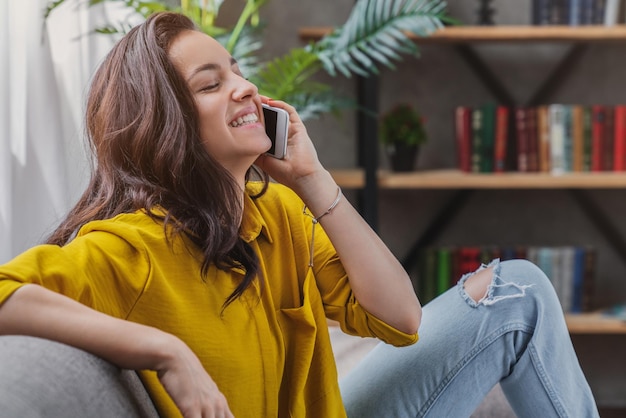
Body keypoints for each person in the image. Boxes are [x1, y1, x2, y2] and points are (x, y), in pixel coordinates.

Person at [0, 11, 599, 418]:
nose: (243, 87)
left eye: (236, 70)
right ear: (167, 127)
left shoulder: (279, 212)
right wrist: (162, 350)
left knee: (517, 290)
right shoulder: (132, 246)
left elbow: (400, 318)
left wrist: (313, 179)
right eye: (210, 85)